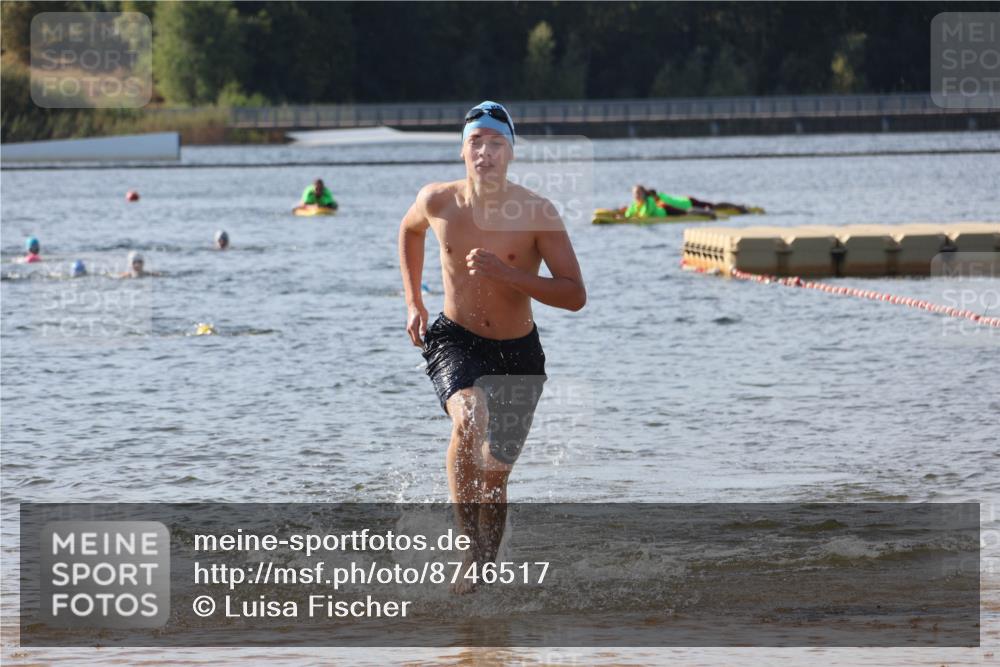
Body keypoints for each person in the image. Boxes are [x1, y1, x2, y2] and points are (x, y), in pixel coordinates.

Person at [399, 101, 586, 593]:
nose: (484, 151)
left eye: (495, 142)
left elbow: (574, 294)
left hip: (519, 352)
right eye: (475, 141)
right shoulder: (438, 200)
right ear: (463, 150)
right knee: (470, 417)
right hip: (455, 340)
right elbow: (408, 231)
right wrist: (413, 300)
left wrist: (512, 275)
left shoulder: (537, 212)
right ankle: (466, 549)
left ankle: (484, 563)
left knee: (495, 476)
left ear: (510, 153)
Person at [648, 189, 749, 216]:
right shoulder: (661, 195)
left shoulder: (660, 201)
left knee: (715, 206)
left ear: (654, 196)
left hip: (689, 203)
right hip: (687, 200)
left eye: (650, 197)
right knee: (714, 205)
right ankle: (738, 206)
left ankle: (738, 207)